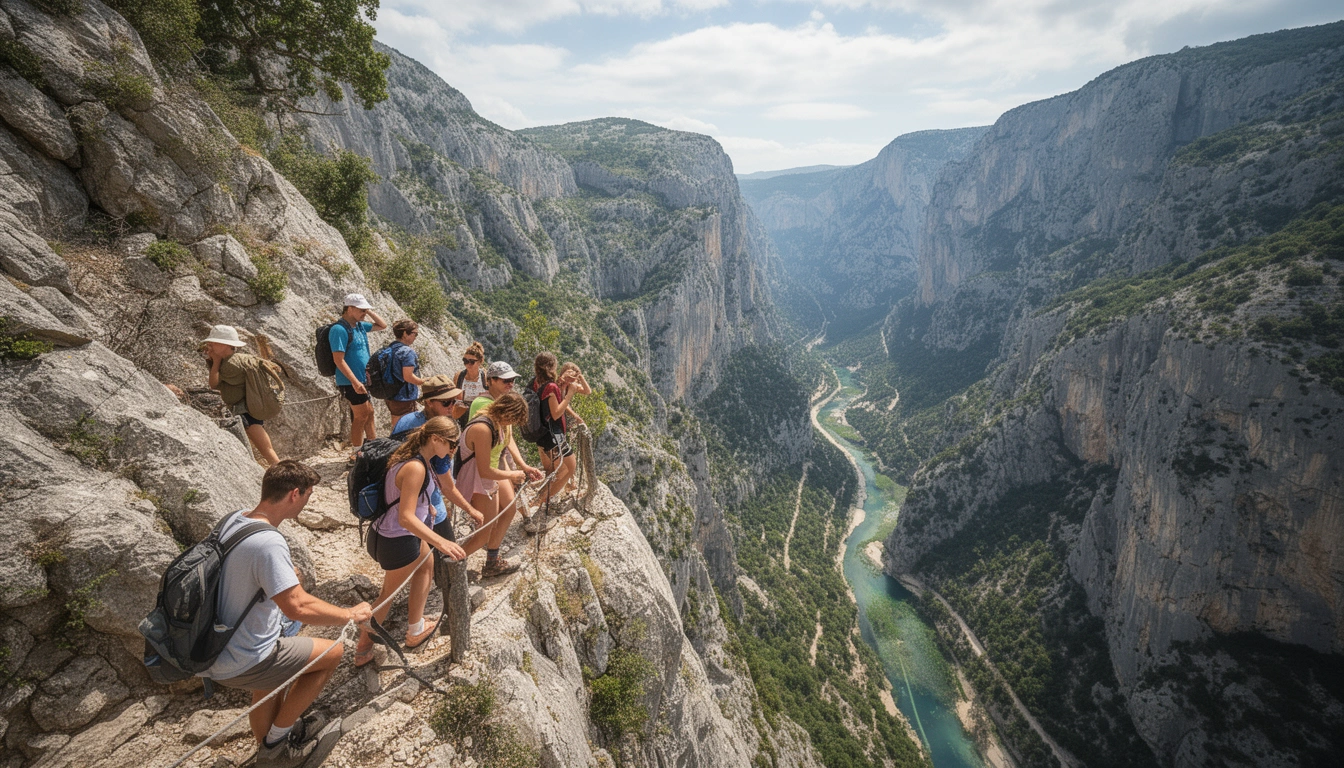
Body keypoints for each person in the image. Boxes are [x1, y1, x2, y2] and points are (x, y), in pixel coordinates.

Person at [206, 461, 373, 768]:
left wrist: (279, 576)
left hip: (214, 647)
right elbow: (297, 606)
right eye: (309, 494)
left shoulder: (235, 519)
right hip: (244, 656)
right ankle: (275, 747)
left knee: (270, 681)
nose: (309, 500)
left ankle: (268, 745)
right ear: (295, 494)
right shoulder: (268, 542)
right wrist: (349, 613)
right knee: (333, 653)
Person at [354, 417, 467, 666]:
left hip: (393, 534)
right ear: (436, 439)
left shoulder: (412, 458)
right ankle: (363, 649)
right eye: (451, 444)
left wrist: (428, 511)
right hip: (398, 539)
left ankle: (415, 628)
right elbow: (405, 517)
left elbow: (406, 501)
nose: (453, 450)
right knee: (387, 596)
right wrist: (441, 541)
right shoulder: (416, 467)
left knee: (425, 566)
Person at [390, 375, 487, 536]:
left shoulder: (405, 421)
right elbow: (447, 486)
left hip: (397, 502)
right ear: (429, 402)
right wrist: (471, 510)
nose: (451, 407)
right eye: (446, 402)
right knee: (447, 554)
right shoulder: (439, 435)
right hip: (428, 505)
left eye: (453, 401)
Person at [457, 392, 535, 576]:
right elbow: (484, 470)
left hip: (489, 476)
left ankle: (492, 560)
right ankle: (451, 563)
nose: (512, 425)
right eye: (513, 420)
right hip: (478, 480)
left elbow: (504, 445)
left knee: (509, 509)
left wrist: (523, 467)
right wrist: (513, 474)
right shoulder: (483, 428)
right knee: (484, 533)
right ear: (507, 413)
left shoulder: (498, 421)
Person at [468, 361, 545, 533]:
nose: (510, 384)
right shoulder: (484, 405)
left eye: (512, 380)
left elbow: (508, 438)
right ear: (491, 380)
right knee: (494, 511)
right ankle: (484, 541)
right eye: (505, 380)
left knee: (508, 505)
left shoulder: (503, 404)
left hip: (498, 457)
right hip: (486, 465)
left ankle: (493, 546)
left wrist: (523, 465)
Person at [204, 324, 281, 466]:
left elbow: (214, 384)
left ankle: (286, 476)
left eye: (214, 343)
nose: (210, 345)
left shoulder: (229, 366)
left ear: (226, 345)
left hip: (245, 412)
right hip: (249, 408)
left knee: (267, 451)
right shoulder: (237, 359)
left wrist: (215, 362)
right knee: (266, 449)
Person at [330, 293, 387, 460]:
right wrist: (354, 382)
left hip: (363, 380)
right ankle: (356, 453)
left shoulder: (360, 326)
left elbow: (382, 325)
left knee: (369, 412)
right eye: (361, 309)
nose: (364, 313)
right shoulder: (339, 330)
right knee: (361, 415)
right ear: (350, 308)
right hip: (351, 381)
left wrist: (368, 311)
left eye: (365, 309)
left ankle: (372, 447)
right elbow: (338, 360)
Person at [531, 352, 579, 509]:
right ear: (551, 367)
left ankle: (542, 499)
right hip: (554, 436)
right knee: (569, 468)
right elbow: (556, 413)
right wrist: (569, 394)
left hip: (543, 435)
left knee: (554, 471)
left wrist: (563, 383)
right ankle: (540, 501)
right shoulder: (551, 386)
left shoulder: (536, 383)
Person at [384, 319, 428, 432]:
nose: (416, 337)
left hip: (390, 394)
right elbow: (408, 376)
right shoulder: (407, 352)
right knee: (406, 427)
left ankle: (394, 445)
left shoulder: (390, 348)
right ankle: (400, 447)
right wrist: (424, 381)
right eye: (415, 333)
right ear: (404, 333)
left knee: (396, 423)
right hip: (404, 396)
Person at [453, 342, 488, 428]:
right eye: (465, 361)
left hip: (479, 414)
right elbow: (455, 397)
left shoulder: (485, 377)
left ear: (480, 362)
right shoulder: (459, 376)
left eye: (472, 362)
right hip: (462, 415)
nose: (468, 364)